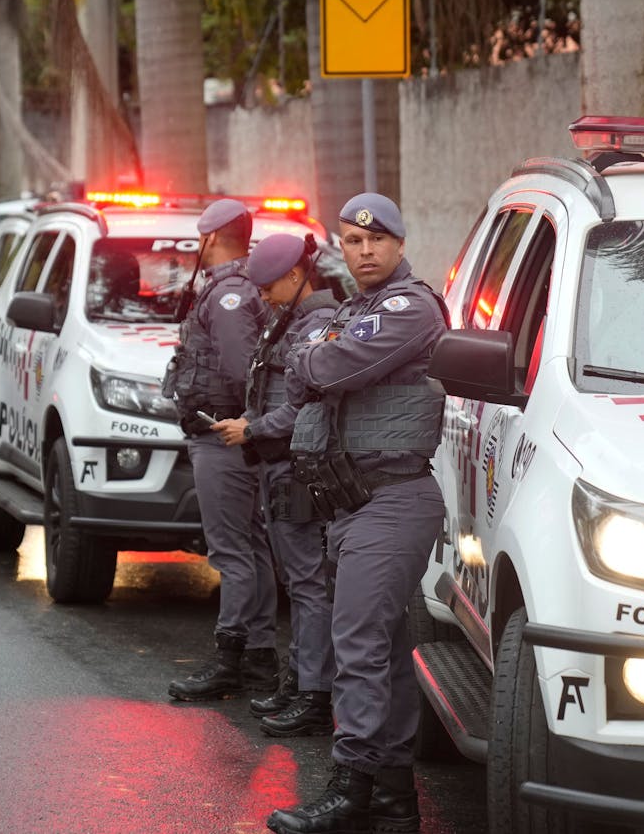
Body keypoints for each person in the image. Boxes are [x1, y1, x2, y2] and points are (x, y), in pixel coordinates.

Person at [265, 193, 448, 834]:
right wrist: (314, 360)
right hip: (351, 507)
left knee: (358, 651)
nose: (364, 250)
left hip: (392, 500)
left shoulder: (409, 306)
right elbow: (302, 373)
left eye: (376, 240)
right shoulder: (350, 309)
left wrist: (316, 359)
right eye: (351, 240)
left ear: (399, 243)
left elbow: (332, 366)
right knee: (383, 653)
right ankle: (394, 800)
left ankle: (350, 790)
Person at [209, 232, 340, 734]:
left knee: (308, 584)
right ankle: (299, 680)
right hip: (279, 463)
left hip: (297, 465)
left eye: (267, 287)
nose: (260, 296)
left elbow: (307, 404)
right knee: (298, 581)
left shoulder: (318, 324)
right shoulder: (290, 320)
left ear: (295, 275)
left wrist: (253, 428)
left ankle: (314, 693)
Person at [161, 198, 279, 701]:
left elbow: (241, 369)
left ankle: (232, 659)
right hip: (233, 437)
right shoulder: (241, 287)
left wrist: (245, 425)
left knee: (233, 553)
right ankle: (258, 656)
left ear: (211, 237)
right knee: (250, 547)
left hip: (224, 438)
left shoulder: (229, 293)